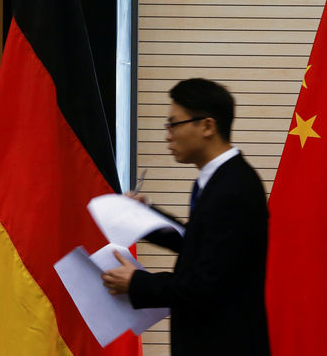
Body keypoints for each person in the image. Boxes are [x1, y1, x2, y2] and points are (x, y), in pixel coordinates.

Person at [102, 78, 270, 356]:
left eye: (174, 124)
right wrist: (145, 217)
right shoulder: (217, 179)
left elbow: (205, 285)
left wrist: (137, 283)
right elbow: (198, 244)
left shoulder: (234, 189)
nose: (168, 134)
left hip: (225, 344)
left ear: (207, 126)